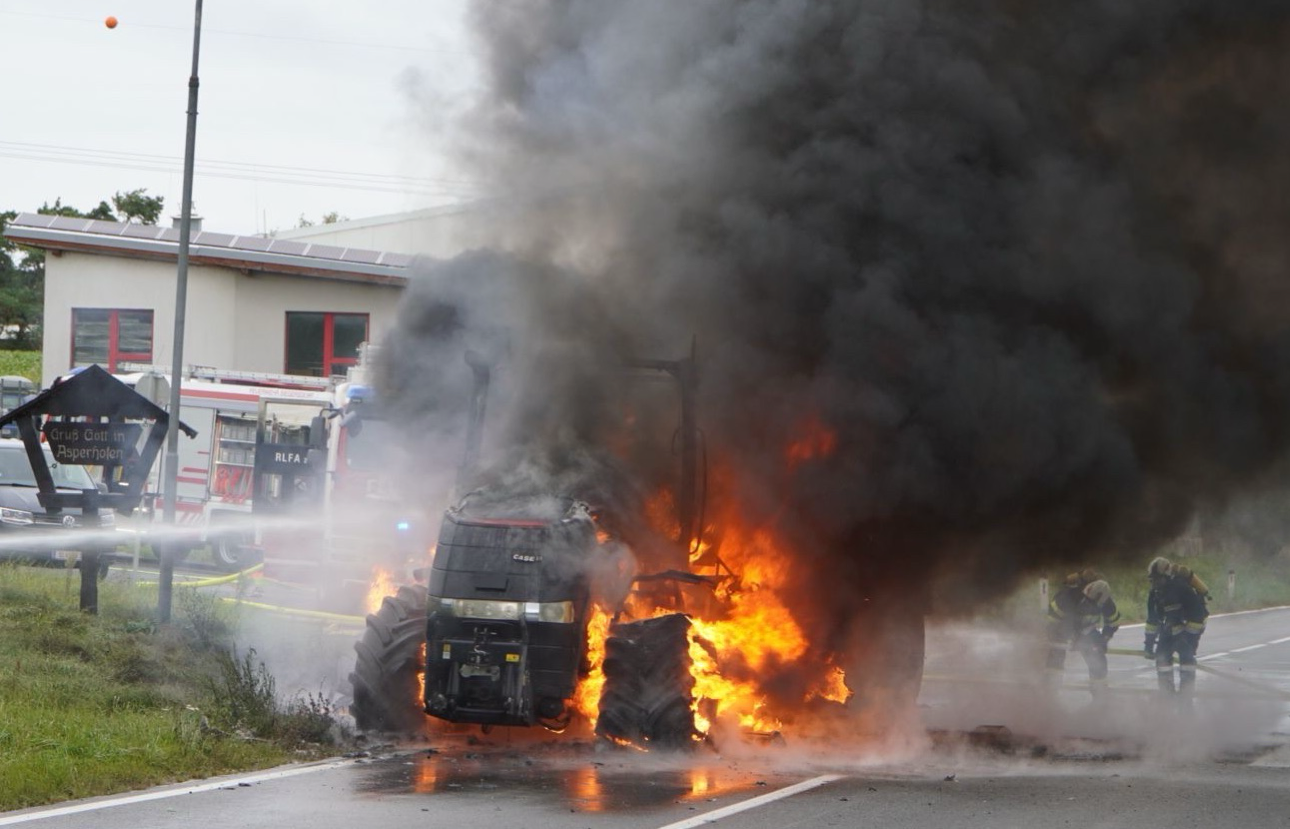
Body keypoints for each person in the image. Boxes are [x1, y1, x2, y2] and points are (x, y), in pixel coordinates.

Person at [1045, 570, 1121, 700]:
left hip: (1087, 631)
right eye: (1089, 602)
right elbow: (1053, 621)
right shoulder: (1067, 597)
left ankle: (1100, 696)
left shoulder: (1105, 599)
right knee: (1056, 656)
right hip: (1062, 629)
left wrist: (1104, 639)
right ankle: (1050, 693)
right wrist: (1060, 637)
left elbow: (1113, 622)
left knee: (1098, 659)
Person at [1144, 557, 1209, 702]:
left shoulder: (1182, 588)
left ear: (1167, 576)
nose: (1155, 583)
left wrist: (1189, 640)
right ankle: (1167, 698)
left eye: (1158, 579)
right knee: (1162, 661)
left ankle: (1186, 699)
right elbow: (1152, 621)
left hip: (1186, 634)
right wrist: (1148, 645)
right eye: (1152, 580)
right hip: (1167, 633)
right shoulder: (1154, 594)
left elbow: (1199, 616)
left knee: (1187, 663)